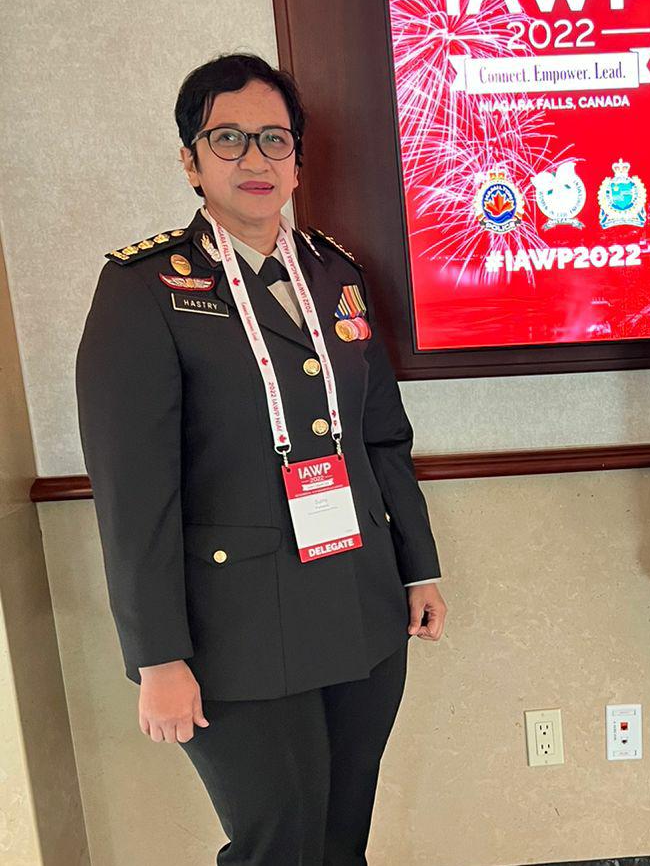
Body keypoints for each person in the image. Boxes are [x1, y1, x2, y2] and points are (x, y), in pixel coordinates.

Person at [76, 53, 447, 865]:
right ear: (191, 160)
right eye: (229, 138)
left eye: (274, 139)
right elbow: (133, 496)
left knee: (341, 838)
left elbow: (382, 436)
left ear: (297, 160)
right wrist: (158, 655)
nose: (255, 158)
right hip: (233, 630)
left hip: (358, 604)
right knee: (278, 842)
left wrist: (417, 566)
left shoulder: (335, 273)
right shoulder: (144, 290)